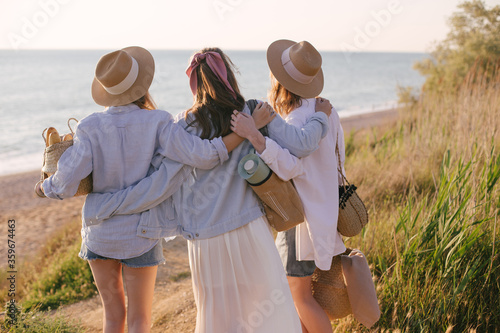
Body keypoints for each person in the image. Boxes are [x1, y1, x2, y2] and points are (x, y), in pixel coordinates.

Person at [79, 47, 333, 332]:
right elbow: (302, 144)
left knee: (218, 320)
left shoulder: (183, 126)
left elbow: (156, 177)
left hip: (204, 240)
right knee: (266, 316)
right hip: (250, 229)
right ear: (229, 75)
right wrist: (320, 117)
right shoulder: (253, 111)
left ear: (194, 82)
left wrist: (107, 198)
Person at [39, 46, 246, 333]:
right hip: (142, 232)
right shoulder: (159, 122)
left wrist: (44, 187)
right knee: (140, 320)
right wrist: (244, 133)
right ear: (140, 86)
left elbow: (64, 183)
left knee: (113, 317)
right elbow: (205, 156)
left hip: (101, 231)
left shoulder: (89, 127)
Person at [230, 40, 347, 333]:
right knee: (301, 300)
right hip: (322, 212)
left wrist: (257, 138)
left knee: (301, 298)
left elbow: (292, 167)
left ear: (279, 79)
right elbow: (338, 159)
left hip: (300, 219)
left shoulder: (295, 118)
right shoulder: (326, 112)